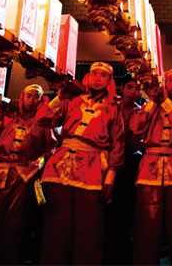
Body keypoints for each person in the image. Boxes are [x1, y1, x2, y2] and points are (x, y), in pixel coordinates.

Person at [36, 62, 125, 265]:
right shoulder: (72, 100)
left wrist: (111, 175)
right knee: (55, 223)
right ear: (88, 76)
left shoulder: (114, 107)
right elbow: (41, 119)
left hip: (92, 167)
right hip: (60, 166)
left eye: (103, 75)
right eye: (94, 73)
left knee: (88, 225)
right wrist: (60, 97)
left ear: (109, 81)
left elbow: (118, 143)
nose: (98, 78)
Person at [0, 84, 56, 265]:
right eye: (29, 95)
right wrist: (0, 116)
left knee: (14, 224)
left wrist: (39, 162)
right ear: (21, 97)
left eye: (36, 97)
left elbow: (50, 149)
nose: (32, 100)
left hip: (23, 177)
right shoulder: (7, 117)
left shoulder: (43, 123)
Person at [130, 68, 172, 265]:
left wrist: (166, 102)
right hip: (150, 166)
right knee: (147, 222)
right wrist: (153, 101)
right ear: (164, 84)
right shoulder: (150, 107)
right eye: (170, 80)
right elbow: (135, 127)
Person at [104, 73, 143, 265]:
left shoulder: (140, 111)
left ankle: (122, 249)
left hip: (129, 161)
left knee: (125, 205)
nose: (134, 91)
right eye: (130, 87)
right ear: (121, 88)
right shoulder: (111, 105)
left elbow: (138, 140)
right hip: (106, 157)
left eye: (137, 88)